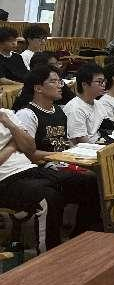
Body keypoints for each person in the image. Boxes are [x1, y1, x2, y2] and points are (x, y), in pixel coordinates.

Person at [0, 107, 102, 251]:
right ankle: (49, 253)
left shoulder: (7, 114)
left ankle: (80, 238)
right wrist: (12, 146)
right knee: (48, 197)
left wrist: (9, 124)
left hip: (30, 169)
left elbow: (30, 147)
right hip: (5, 180)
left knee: (88, 182)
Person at [15, 65, 74, 155]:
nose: (60, 86)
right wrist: (60, 155)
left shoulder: (58, 109)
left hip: (64, 159)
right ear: (38, 88)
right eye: (53, 82)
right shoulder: (27, 114)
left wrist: (76, 151)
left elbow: (64, 141)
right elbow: (28, 153)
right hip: (44, 162)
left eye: (59, 81)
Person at [63, 63, 107, 144]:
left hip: (101, 143)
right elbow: (81, 141)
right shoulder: (75, 108)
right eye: (99, 81)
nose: (103, 85)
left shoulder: (98, 104)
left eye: (104, 81)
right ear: (84, 84)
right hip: (86, 149)